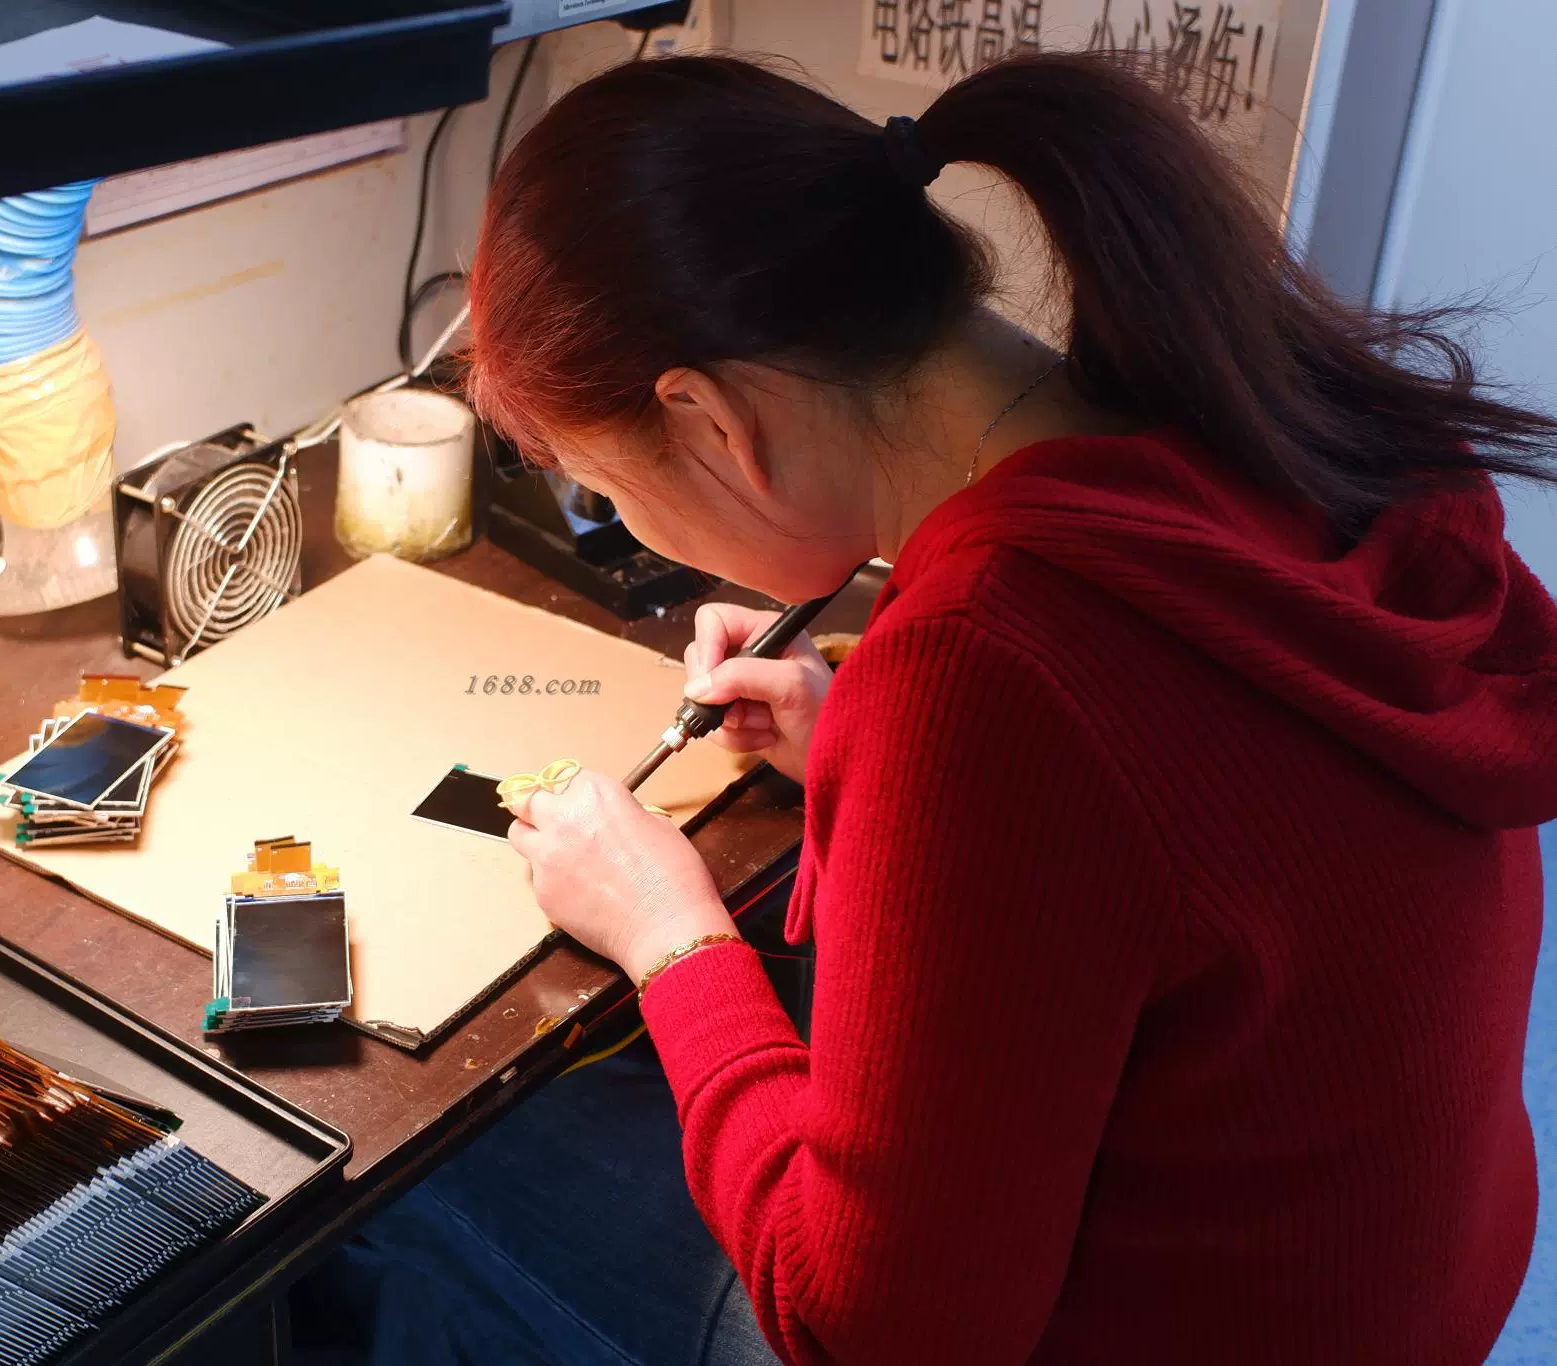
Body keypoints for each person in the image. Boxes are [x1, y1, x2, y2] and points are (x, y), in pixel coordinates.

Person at [311, 50, 1557, 1365]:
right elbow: (1189, 820)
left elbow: (873, 1333)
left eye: (613, 493)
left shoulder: (991, 670)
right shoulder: (1255, 418)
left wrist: (669, 934)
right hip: (1390, 1285)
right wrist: (862, 749)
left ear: (711, 423)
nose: (633, 527)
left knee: (407, 1170)